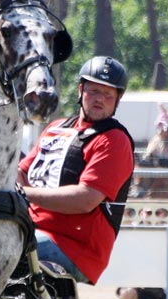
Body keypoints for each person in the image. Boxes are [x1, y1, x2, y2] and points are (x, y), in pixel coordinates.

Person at [17, 56, 135, 284]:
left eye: (108, 94)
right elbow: (21, 172)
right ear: (81, 90)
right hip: (30, 230)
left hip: (73, 248)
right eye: (93, 91)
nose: (99, 99)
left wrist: (23, 194)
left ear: (117, 100)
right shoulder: (55, 127)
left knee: (0, 251)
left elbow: (85, 199)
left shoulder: (113, 140)